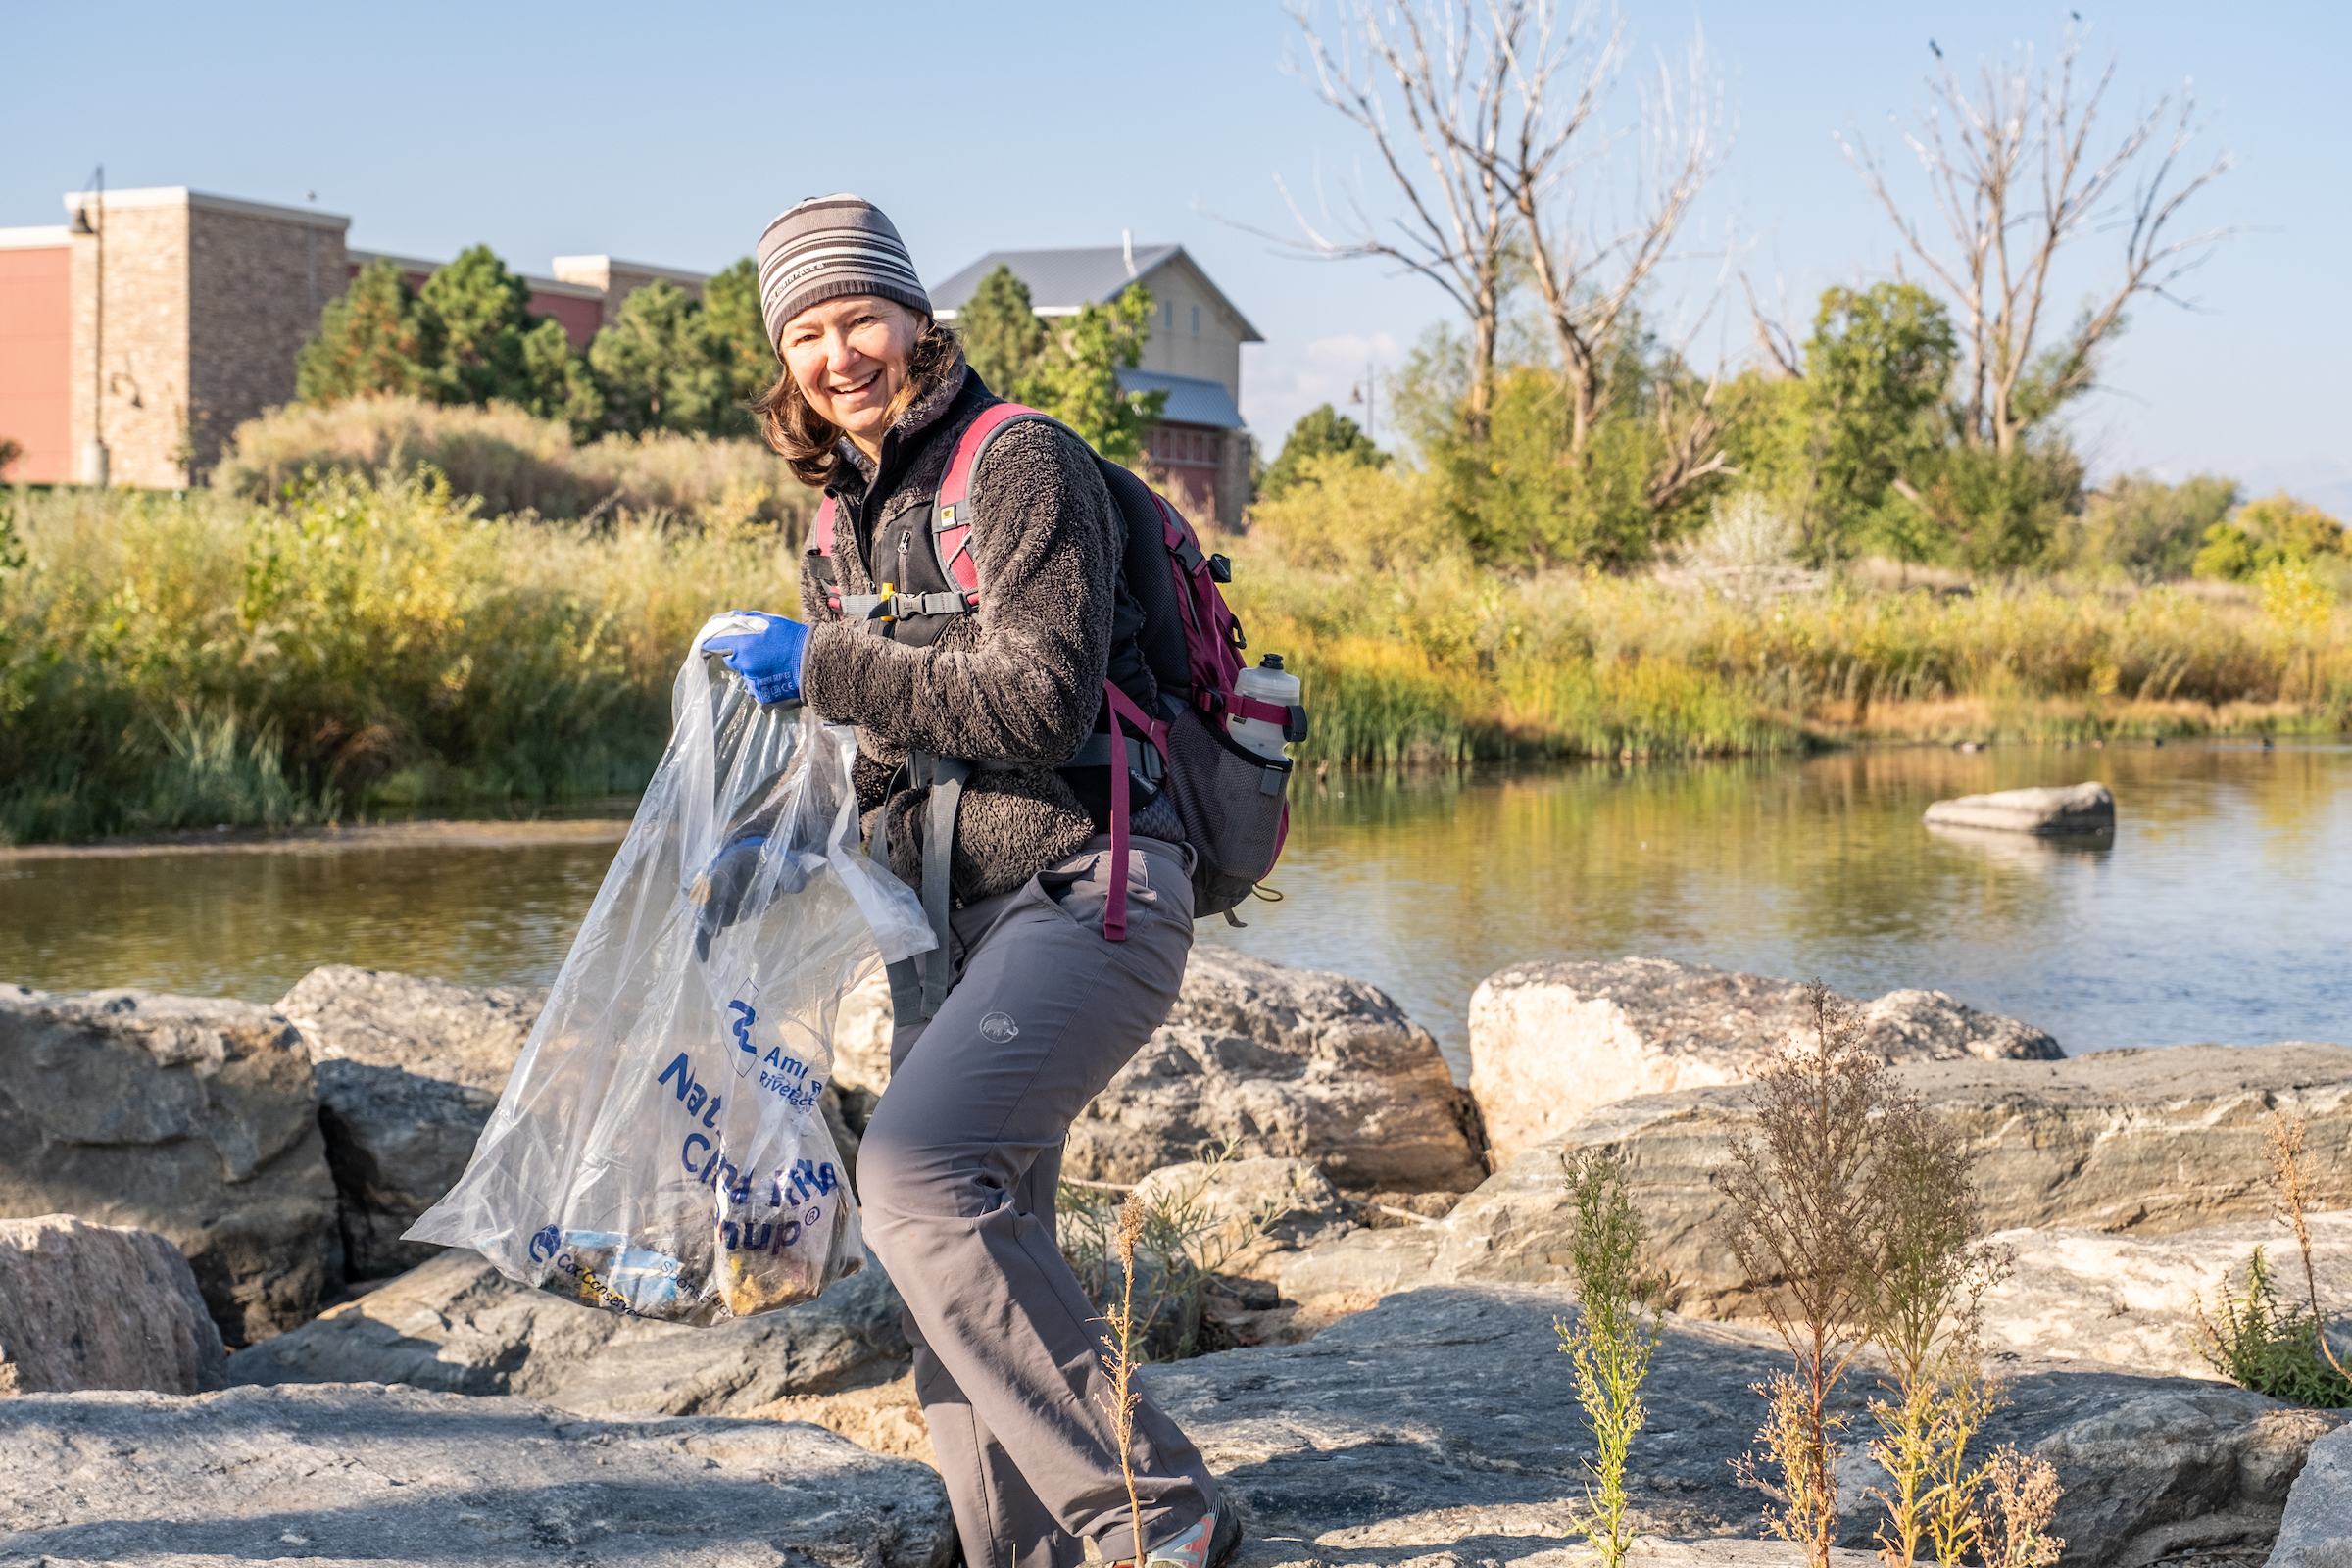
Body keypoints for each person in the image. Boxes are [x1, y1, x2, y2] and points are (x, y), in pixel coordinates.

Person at [699, 195, 1238, 1568]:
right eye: (806, 332)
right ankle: (1023, 1552)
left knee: (921, 1181)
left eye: (859, 316)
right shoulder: (835, 529)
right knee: (972, 1250)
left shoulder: (1021, 464)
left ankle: (1161, 1523)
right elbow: (889, 745)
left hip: (1088, 893)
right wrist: (783, 840)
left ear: (916, 316)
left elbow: (1041, 704)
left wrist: (818, 666)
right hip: (942, 929)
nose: (840, 353)